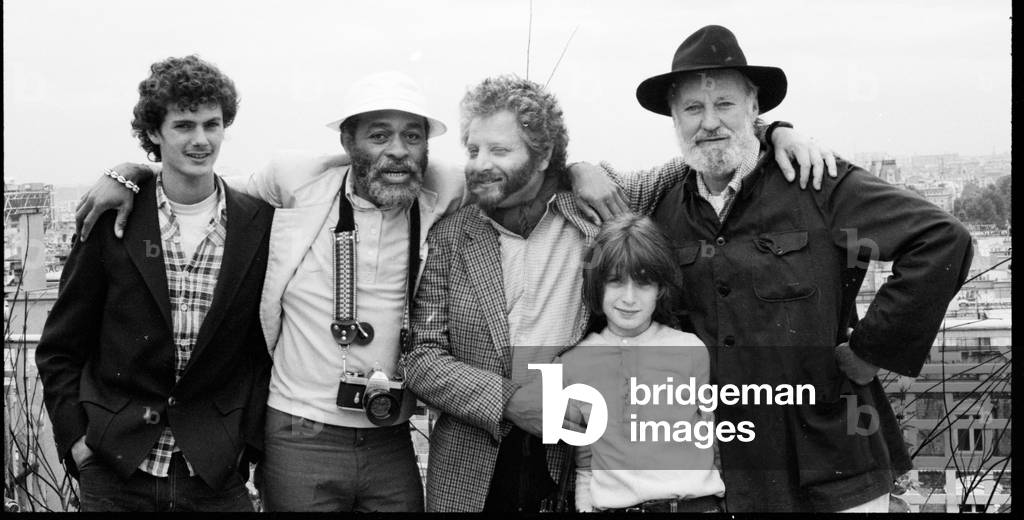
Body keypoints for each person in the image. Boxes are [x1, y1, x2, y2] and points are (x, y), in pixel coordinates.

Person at [69, 70, 635, 511]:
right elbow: (202, 187)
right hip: (298, 432)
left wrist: (580, 167)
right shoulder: (295, 180)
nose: (397, 150)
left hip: (389, 437)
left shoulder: (447, 190)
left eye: (412, 136)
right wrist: (129, 172)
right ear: (348, 141)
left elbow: (526, 168)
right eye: (380, 135)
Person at [404, 75, 832, 512]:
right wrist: (509, 401)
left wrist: (773, 131)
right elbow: (421, 357)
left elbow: (698, 154)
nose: (478, 164)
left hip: (570, 464)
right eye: (473, 150)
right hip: (472, 470)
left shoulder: (596, 208)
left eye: (499, 150)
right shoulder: (452, 238)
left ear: (543, 154)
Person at [635, 24, 975, 512]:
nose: (709, 121)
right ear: (674, 117)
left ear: (755, 109)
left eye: (725, 104)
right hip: (724, 472)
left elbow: (942, 240)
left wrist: (871, 349)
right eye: (693, 108)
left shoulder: (816, 182)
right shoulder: (666, 213)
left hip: (835, 465)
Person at [36, 56, 274, 512]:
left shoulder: (257, 223)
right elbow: (60, 348)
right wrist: (78, 444)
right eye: (183, 125)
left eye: (213, 124)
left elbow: (260, 350)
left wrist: (247, 445)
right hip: (115, 466)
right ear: (154, 133)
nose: (201, 140)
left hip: (213, 470)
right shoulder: (113, 221)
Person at [561, 214, 726, 513]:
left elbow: (711, 435)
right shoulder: (575, 363)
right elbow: (585, 459)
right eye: (615, 282)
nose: (629, 298)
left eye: (643, 283)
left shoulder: (689, 348)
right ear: (597, 286)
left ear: (661, 289)